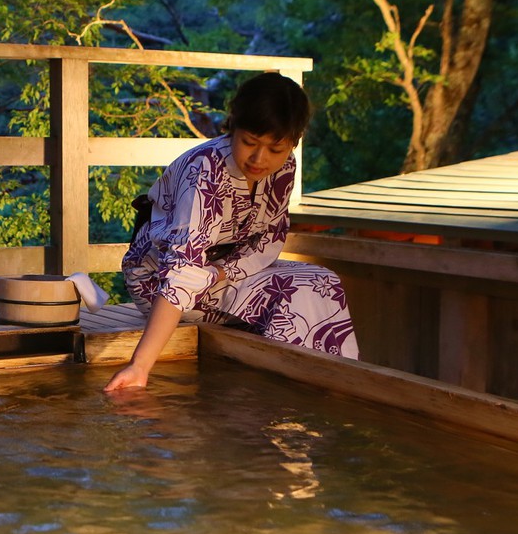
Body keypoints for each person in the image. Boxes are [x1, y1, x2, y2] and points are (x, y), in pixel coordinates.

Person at [104, 72, 360, 392]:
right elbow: (182, 272)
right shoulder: (206, 172)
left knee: (324, 281)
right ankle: (286, 393)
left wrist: (218, 273)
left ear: (294, 141)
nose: (259, 159)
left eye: (275, 148)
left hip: (220, 272)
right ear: (233, 126)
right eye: (249, 142)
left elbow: (268, 239)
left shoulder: (286, 169)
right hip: (158, 280)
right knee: (292, 296)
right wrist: (139, 366)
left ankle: (336, 387)